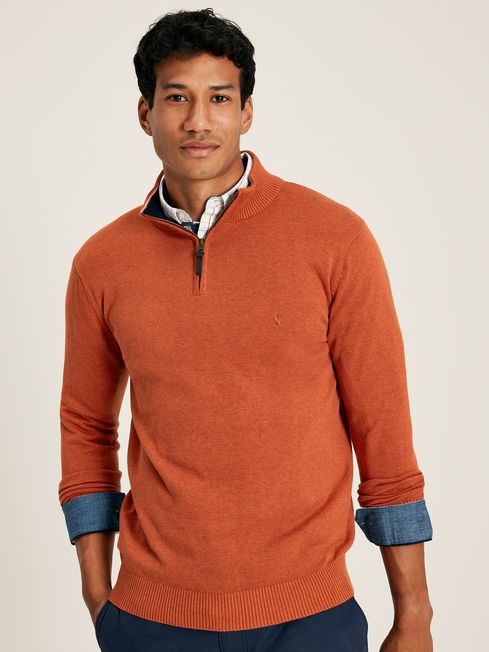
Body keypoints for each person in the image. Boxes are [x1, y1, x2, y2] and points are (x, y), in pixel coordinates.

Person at [58, 8, 434, 652]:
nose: (198, 121)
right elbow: (86, 426)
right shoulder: (102, 262)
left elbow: (383, 426)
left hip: (311, 615)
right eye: (177, 97)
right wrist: (98, 596)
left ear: (247, 112)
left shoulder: (335, 239)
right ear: (145, 113)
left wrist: (415, 614)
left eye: (219, 98)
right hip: (151, 618)